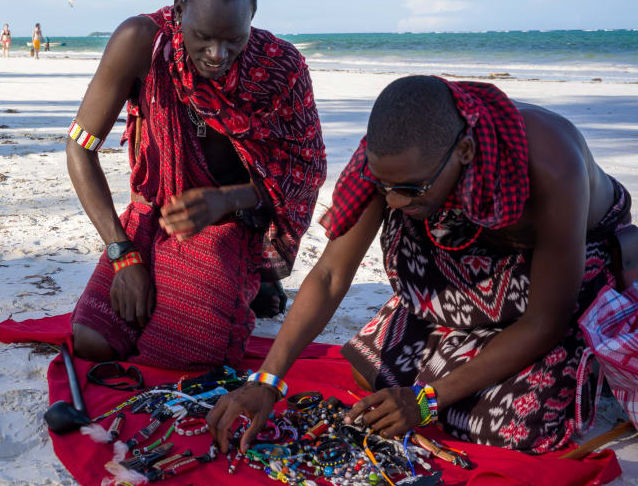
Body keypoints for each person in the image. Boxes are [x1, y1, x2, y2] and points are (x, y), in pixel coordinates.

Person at [209, 75, 633, 453]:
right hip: (474, 272)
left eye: (408, 189)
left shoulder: (552, 164)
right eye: (384, 186)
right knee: (368, 373)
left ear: (464, 152)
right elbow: (329, 273)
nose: (391, 201)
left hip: (550, 279)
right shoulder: (392, 159)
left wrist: (426, 400)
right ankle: (466, 332)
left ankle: (604, 286)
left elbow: (545, 321)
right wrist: (267, 380)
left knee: (516, 425)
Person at [66, 0, 326, 370]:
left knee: (180, 356)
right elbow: (80, 146)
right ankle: (233, 286)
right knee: (93, 341)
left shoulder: (281, 70)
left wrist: (228, 199)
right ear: (180, 9)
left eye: (233, 39)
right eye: (203, 36)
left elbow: (305, 169)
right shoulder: (141, 43)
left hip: (229, 224)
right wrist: (122, 253)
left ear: (252, 18)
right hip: (151, 215)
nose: (217, 54)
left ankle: (252, 276)